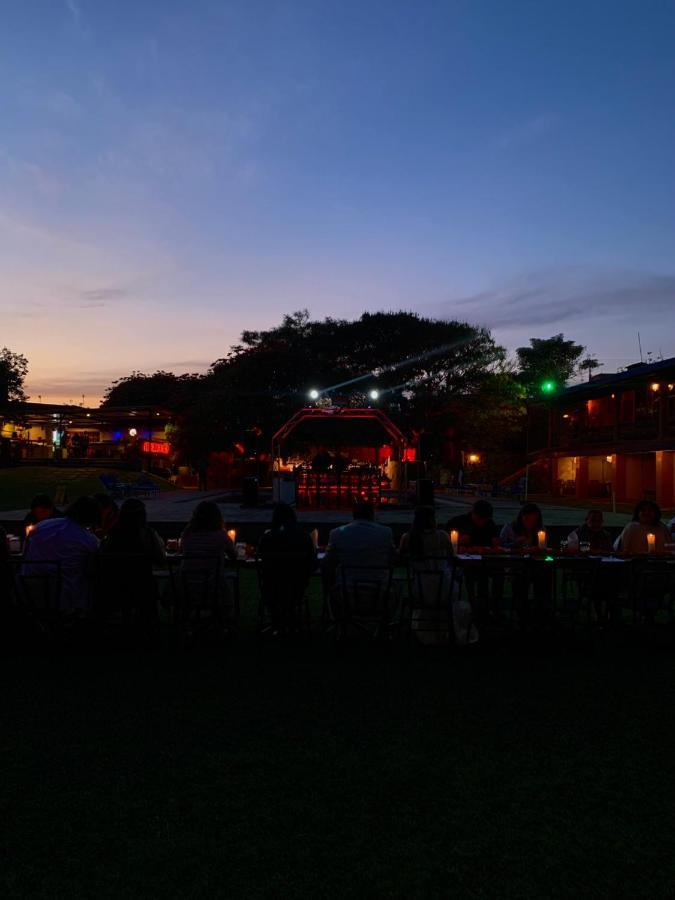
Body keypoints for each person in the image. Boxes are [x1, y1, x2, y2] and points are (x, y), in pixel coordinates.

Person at [22, 496, 100, 612]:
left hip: (29, 590)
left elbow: (26, 552)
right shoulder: (88, 540)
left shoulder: (41, 526)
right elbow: (92, 568)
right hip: (66, 598)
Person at [98, 499, 165, 624]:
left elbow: (103, 558)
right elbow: (161, 560)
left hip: (115, 587)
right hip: (142, 588)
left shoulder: (112, 535)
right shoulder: (147, 534)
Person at [257, 503, 316, 628]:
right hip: (297, 587)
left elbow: (261, 558)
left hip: (272, 587)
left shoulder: (267, 538)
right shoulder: (304, 538)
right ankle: (289, 617)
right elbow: (313, 563)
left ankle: (278, 618)